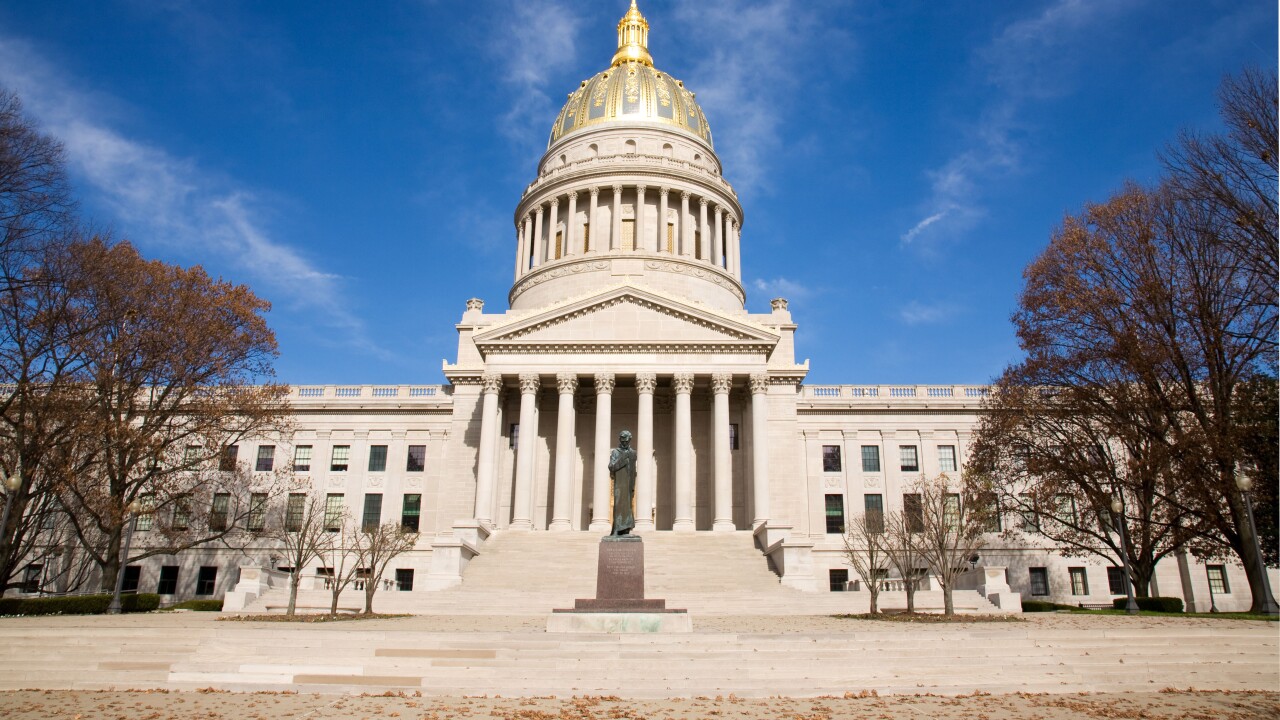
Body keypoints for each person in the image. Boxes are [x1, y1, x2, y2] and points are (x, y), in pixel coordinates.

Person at [608, 430, 637, 536]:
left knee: (628, 506)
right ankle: (616, 528)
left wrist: (633, 485)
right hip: (619, 483)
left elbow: (633, 470)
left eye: (626, 441)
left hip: (629, 483)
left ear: (629, 440)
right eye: (623, 441)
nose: (624, 443)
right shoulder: (616, 452)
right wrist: (622, 460)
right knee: (619, 505)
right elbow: (611, 467)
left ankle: (626, 529)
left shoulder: (633, 453)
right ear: (620, 440)